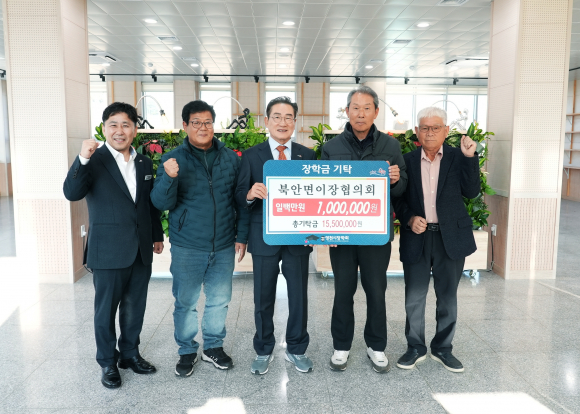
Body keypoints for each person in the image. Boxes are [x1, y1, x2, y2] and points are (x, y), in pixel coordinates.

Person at [63, 102, 164, 389]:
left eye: (126, 125)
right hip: (107, 250)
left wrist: (156, 234)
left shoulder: (144, 162)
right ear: (104, 128)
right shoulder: (93, 159)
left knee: (135, 307)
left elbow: (148, 204)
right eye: (113, 125)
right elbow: (72, 193)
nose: (120, 131)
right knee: (105, 311)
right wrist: (82, 158)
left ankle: (129, 354)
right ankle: (108, 361)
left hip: (140, 249)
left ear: (135, 129)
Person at [150, 100, 249, 377]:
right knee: (186, 302)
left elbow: (240, 201)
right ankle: (186, 350)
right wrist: (169, 177)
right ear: (185, 125)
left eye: (207, 122)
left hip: (224, 244)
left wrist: (242, 235)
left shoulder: (230, 158)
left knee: (219, 300)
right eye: (196, 122)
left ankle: (213, 347)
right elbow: (160, 202)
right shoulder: (172, 159)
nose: (202, 127)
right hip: (188, 246)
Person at [321, 86, 407, 373]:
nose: (360, 113)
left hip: (375, 234)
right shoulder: (331, 147)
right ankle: (341, 345)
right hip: (342, 234)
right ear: (347, 111)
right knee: (343, 291)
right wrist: (326, 230)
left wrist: (396, 180)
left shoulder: (391, 146)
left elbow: (402, 188)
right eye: (355, 108)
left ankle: (376, 345)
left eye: (366, 108)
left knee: (376, 291)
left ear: (376, 112)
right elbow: (322, 193)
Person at [393, 106, 480, 373]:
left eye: (435, 128)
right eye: (425, 128)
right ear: (416, 132)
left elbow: (472, 191)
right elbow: (398, 198)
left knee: (447, 297)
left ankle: (443, 348)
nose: (430, 133)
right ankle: (415, 347)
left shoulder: (459, 157)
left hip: (450, 237)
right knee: (414, 296)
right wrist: (409, 218)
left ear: (446, 131)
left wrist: (470, 157)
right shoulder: (407, 160)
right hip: (417, 236)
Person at [235, 96, 317, 375]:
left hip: (297, 239)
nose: (283, 122)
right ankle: (263, 349)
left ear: (295, 122)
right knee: (263, 298)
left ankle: (297, 348)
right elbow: (239, 196)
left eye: (288, 117)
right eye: (277, 117)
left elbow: (317, 198)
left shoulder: (307, 155)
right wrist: (249, 194)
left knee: (299, 298)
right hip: (263, 238)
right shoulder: (251, 155)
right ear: (267, 121)